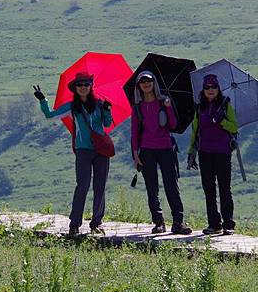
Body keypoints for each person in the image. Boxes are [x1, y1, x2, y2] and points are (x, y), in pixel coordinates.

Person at [33, 72, 113, 236]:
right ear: (75, 88)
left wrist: (107, 110)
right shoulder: (72, 106)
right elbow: (50, 115)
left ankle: (97, 222)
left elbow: (106, 124)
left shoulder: (99, 104)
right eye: (80, 85)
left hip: (100, 150)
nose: (83, 87)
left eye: (86, 84)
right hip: (83, 150)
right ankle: (75, 223)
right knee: (82, 185)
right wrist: (43, 100)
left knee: (100, 186)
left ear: (91, 86)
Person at [131, 70, 192, 235]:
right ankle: (158, 222)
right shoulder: (137, 108)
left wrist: (168, 107)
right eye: (142, 81)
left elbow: (172, 125)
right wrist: (135, 156)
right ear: (139, 85)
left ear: (154, 83)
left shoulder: (163, 102)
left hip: (166, 148)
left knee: (171, 186)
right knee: (152, 187)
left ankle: (178, 222)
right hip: (146, 151)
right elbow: (134, 133)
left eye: (149, 81)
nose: (146, 84)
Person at [187, 74, 238, 235]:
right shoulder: (199, 107)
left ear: (218, 89)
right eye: (207, 87)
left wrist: (221, 121)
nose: (210, 90)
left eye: (213, 87)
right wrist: (191, 152)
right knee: (209, 189)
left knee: (224, 188)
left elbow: (234, 128)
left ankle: (228, 223)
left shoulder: (225, 105)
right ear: (203, 90)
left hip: (222, 152)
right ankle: (214, 224)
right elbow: (195, 130)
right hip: (205, 153)